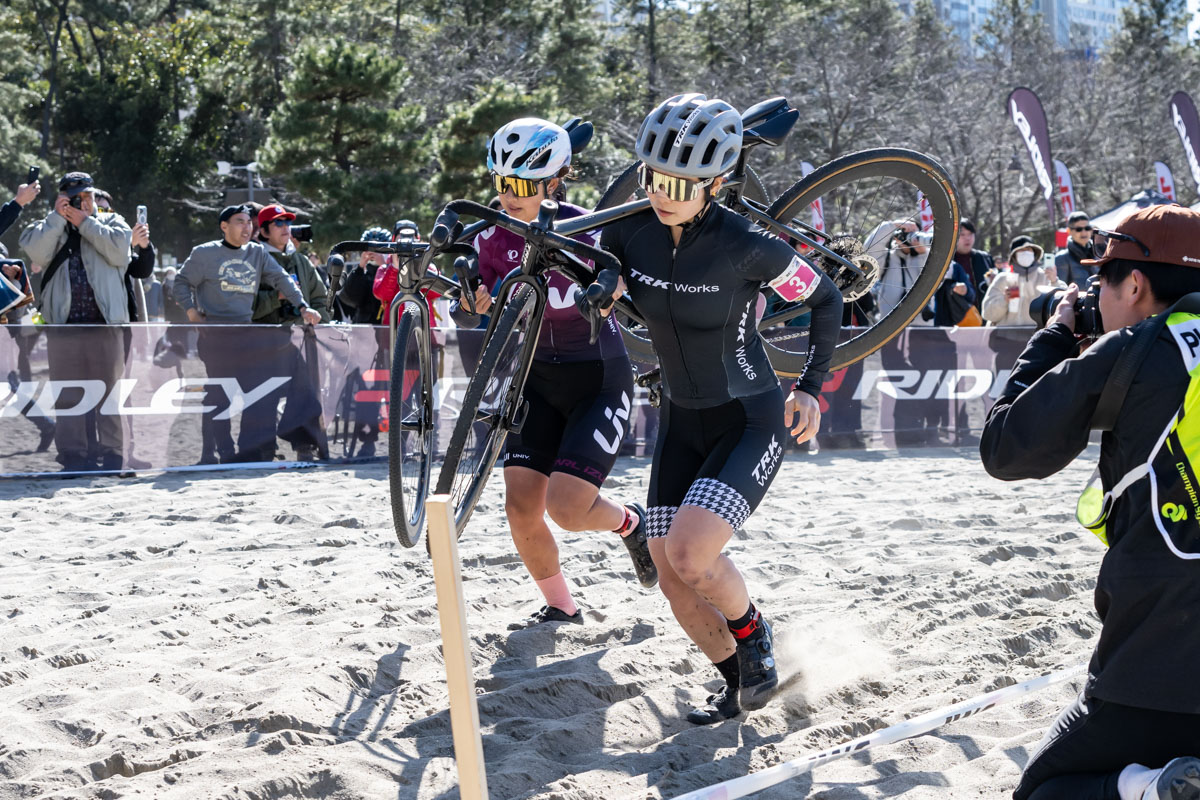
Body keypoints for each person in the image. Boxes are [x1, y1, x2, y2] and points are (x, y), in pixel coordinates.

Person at [589, 93, 842, 724]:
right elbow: (601, 260)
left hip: (748, 419)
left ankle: (756, 634)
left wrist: (809, 386)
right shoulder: (629, 229)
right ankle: (741, 681)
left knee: (690, 556)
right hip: (680, 420)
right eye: (652, 177)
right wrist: (605, 280)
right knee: (671, 576)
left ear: (715, 184)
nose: (661, 193)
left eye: (679, 184)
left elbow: (827, 299)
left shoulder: (745, 244)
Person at [980, 204, 1200, 800]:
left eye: (1102, 280)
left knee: (1047, 790)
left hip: (1160, 656)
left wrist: (1055, 339)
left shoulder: (1134, 348)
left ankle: (1145, 787)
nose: (1095, 295)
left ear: (1136, 285)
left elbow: (1007, 449)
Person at [450, 116, 656, 631]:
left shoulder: (587, 226)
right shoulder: (489, 234)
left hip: (597, 381)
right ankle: (561, 606)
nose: (508, 196)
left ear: (555, 181)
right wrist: (473, 303)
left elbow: (624, 285)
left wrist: (611, 289)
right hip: (535, 380)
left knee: (567, 508)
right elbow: (473, 310)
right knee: (521, 508)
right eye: (501, 182)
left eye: (522, 186)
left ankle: (630, 522)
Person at [172, 205, 318, 463]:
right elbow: (181, 282)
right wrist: (192, 312)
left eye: (249, 222)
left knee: (255, 394)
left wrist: (303, 306)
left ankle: (250, 451)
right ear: (224, 226)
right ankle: (217, 453)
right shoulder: (205, 253)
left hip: (247, 335)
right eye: (240, 222)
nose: (247, 227)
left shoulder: (257, 252)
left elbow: (282, 278)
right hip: (215, 336)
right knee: (219, 395)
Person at [19, 171, 132, 471]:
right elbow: (36, 253)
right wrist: (58, 218)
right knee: (67, 396)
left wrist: (85, 222)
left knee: (109, 395)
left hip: (105, 325)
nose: (82, 201)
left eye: (86, 195)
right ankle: (72, 456)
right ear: (61, 198)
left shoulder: (113, 222)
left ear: (94, 196)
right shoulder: (49, 226)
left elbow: (121, 254)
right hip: (62, 327)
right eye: (73, 197)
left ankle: (112, 455)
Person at [981, 235, 1062, 327]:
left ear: (1035, 253)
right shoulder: (1003, 279)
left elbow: (1062, 306)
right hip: (1006, 334)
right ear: (1014, 255)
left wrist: (1054, 281)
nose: (1026, 253)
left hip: (1039, 334)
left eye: (1029, 250)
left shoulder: (1046, 277)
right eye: (1021, 250)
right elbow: (987, 314)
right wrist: (1004, 299)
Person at [866, 219, 931, 321]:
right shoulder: (888, 258)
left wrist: (923, 255)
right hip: (890, 325)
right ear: (896, 237)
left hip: (922, 327)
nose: (910, 237)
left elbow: (937, 281)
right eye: (906, 233)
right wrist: (893, 225)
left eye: (914, 234)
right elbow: (869, 249)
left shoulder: (929, 257)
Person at [953, 217, 995, 306]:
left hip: (982, 310)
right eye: (962, 234)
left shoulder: (984, 258)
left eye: (970, 234)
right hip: (956, 312)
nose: (967, 238)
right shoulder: (947, 262)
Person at [1056, 210, 1096, 287]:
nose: (1084, 232)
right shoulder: (1062, 258)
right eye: (1079, 229)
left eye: (1087, 228)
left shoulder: (1098, 252)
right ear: (1069, 231)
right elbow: (1060, 289)